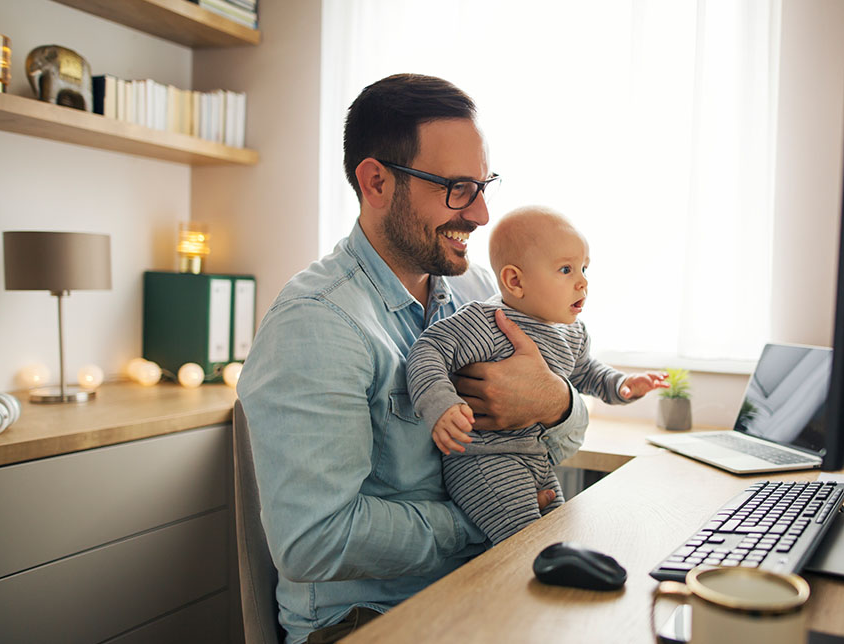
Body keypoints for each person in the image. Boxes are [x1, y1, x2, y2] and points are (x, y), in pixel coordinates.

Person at [237, 75, 591, 644]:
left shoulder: (484, 292)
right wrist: (489, 515)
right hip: (367, 621)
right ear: (376, 182)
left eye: (481, 185)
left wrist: (557, 403)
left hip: (483, 587)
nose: (480, 214)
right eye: (456, 188)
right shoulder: (317, 324)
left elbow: (557, 432)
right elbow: (315, 540)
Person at [406, 206, 668, 544]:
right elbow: (427, 350)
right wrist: (439, 404)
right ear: (515, 281)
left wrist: (622, 385)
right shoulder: (487, 322)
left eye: (584, 268)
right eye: (566, 269)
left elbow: (587, 372)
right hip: (485, 461)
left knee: (558, 531)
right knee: (528, 544)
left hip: (537, 459)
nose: (583, 281)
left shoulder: (572, 333)